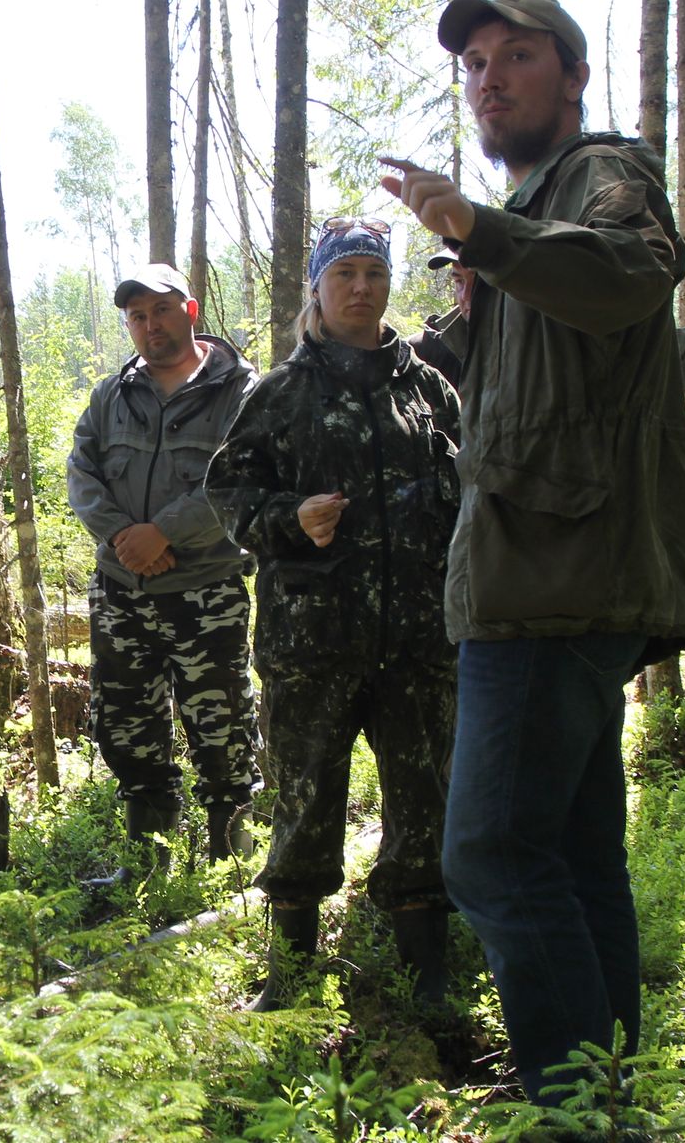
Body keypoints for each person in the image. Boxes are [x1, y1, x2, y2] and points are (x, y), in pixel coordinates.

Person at [379, 0, 685, 1107]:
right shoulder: (525, 218)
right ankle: (607, 1090)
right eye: (474, 63)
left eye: (516, 56)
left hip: (555, 582)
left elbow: (630, 278)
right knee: (575, 857)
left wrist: (483, 230)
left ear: (571, 76)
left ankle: (576, 1107)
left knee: (485, 854)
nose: (489, 77)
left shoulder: (600, 176)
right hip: (534, 573)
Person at [206, 220, 462, 1012]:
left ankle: (428, 980)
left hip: (420, 644)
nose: (361, 288)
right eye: (344, 273)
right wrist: (289, 517)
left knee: (426, 804)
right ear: (317, 287)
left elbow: (471, 500)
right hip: (311, 643)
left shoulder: (429, 390)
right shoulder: (279, 394)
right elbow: (230, 494)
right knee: (305, 801)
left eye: (373, 274)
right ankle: (290, 978)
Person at [65, 264, 260, 876]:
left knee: (221, 724)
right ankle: (149, 860)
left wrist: (163, 532)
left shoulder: (243, 391)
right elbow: (82, 473)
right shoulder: (111, 395)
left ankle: (230, 860)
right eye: (137, 317)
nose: (150, 327)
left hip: (207, 591)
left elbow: (242, 478)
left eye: (161, 312)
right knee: (125, 727)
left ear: (191, 310)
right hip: (122, 591)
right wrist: (125, 537)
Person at [410, 254, 685, 394]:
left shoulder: (565, 343)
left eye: (480, 282)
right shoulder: (431, 353)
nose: (466, 297)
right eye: (459, 281)